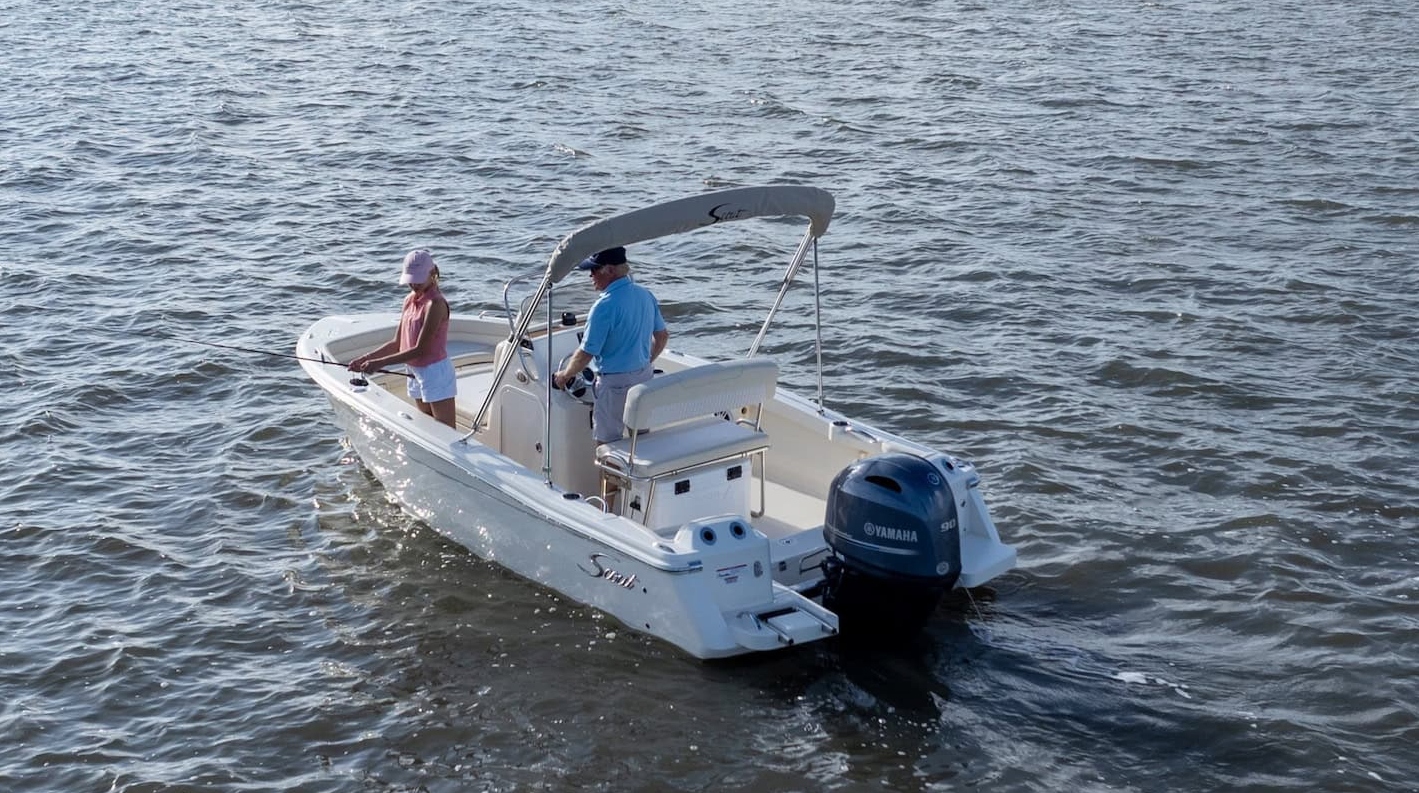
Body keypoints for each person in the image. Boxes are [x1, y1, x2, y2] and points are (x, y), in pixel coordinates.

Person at [553, 246, 669, 445]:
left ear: (611, 271)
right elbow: (662, 336)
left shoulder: (604, 306)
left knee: (607, 448)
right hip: (643, 378)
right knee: (641, 441)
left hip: (614, 385)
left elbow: (586, 354)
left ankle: (609, 477)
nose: (590, 275)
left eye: (595, 270)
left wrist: (564, 376)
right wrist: (646, 361)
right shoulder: (645, 295)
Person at [348, 249, 457, 428]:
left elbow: (422, 349)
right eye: (411, 280)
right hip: (413, 370)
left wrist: (379, 363)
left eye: (418, 279)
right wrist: (366, 358)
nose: (413, 284)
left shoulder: (435, 305)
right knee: (427, 425)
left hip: (435, 373)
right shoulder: (409, 300)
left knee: (446, 431)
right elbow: (397, 343)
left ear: (432, 274)